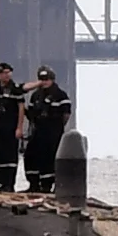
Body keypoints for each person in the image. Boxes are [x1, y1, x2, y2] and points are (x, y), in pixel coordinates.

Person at [22, 65, 73, 194]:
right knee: (30, 156)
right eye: (41, 79)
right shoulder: (36, 95)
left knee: (48, 158)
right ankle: (33, 184)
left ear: (52, 79)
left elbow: (66, 114)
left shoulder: (61, 95)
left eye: (46, 79)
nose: (44, 82)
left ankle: (46, 186)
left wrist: (57, 128)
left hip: (52, 132)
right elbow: (32, 114)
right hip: (38, 131)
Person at [0, 62, 25, 193]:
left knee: (10, 156)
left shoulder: (15, 89)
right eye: (5, 73)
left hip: (10, 127)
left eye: (9, 72)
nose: (7, 75)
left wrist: (19, 128)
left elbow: (21, 108)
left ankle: (9, 184)